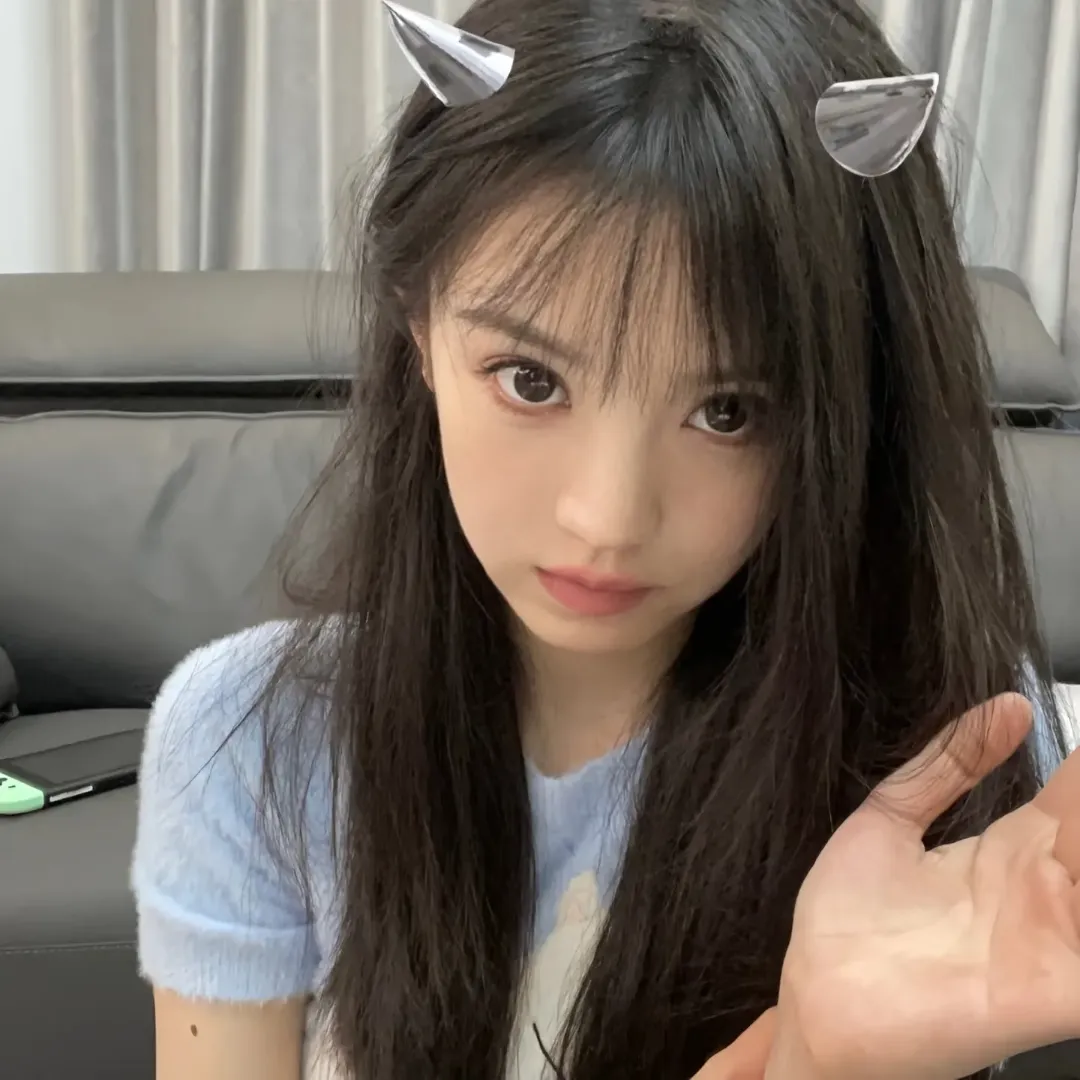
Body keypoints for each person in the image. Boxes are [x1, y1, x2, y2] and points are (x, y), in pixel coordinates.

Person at [130, 0, 1080, 1078]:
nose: (608, 517)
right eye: (531, 380)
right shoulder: (253, 743)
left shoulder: (950, 743)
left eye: (729, 411)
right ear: (417, 324)